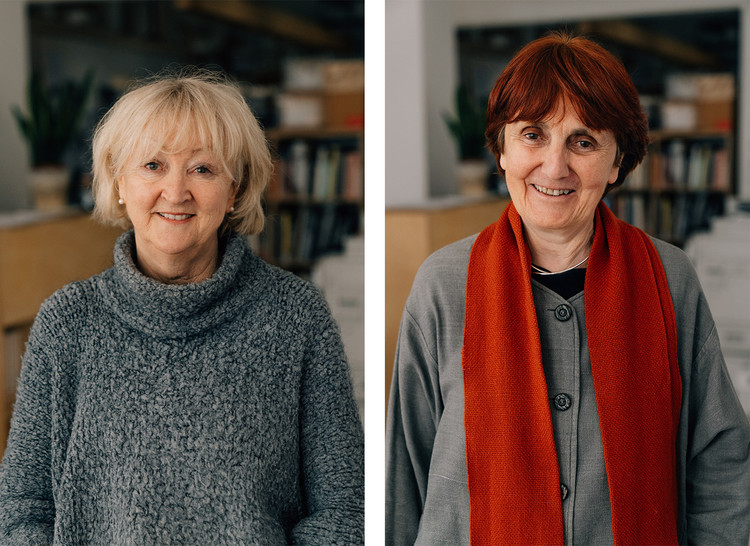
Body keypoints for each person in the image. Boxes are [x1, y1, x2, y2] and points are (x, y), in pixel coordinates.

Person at [386, 33, 749, 545]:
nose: (554, 167)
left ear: (617, 161)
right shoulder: (443, 285)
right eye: (533, 135)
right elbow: (404, 475)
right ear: (501, 151)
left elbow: (719, 462)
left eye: (583, 141)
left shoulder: (670, 279)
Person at [0, 70, 364, 544]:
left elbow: (344, 508)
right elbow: (21, 509)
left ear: (234, 190)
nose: (176, 192)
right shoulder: (66, 322)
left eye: (203, 168)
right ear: (117, 182)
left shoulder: (295, 316)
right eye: (152, 165)